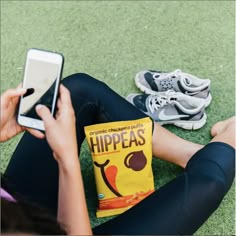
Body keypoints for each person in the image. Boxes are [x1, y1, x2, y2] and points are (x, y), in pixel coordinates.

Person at [1, 73, 235, 235]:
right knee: (209, 182)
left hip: (14, 207)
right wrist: (67, 161)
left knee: (77, 91)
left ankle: (191, 154)